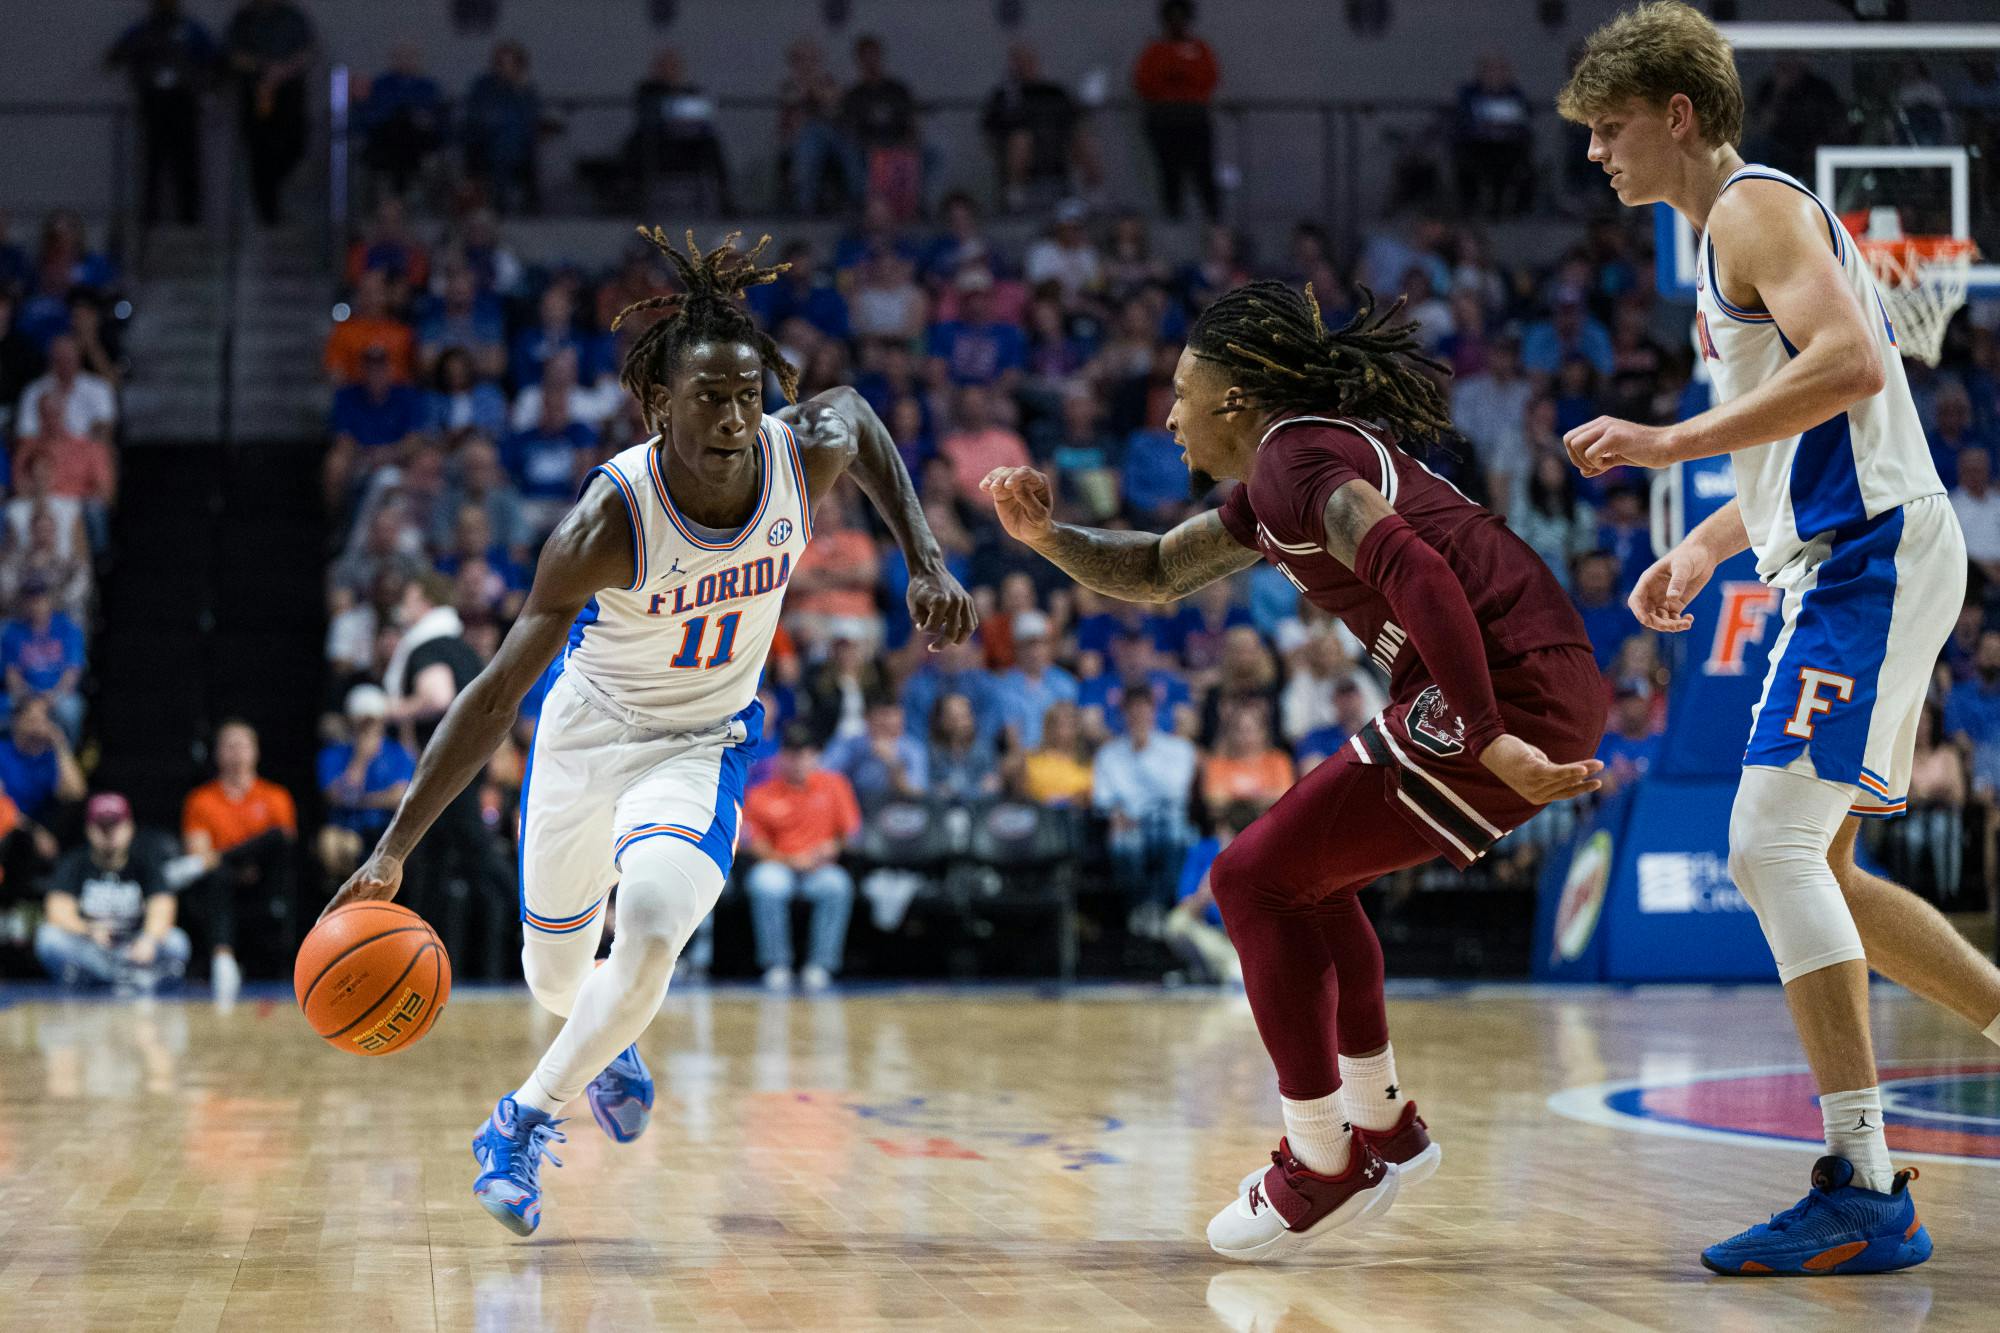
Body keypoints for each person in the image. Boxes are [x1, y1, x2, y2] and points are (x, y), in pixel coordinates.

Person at [322, 227, 975, 1237]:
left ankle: (518, 1121)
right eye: (707, 396)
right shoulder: (607, 521)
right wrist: (392, 846)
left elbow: (858, 416)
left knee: (659, 923)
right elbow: (493, 696)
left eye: (748, 394)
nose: (732, 415)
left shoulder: (802, 453)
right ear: (655, 403)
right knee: (554, 979)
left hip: (700, 741)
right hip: (585, 734)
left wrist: (924, 558)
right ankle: (606, 1035)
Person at [983, 276, 1605, 1261]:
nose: (1169, 414)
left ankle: (1319, 1164)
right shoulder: (1280, 477)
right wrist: (1045, 540)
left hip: (1502, 686)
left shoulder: (1295, 459)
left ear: (1233, 398)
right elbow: (1152, 570)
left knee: (1244, 878)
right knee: (1307, 882)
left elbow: (1417, 571)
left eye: (1181, 393)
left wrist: (1485, 734)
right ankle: (1381, 1124)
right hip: (1520, 674)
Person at [1558, 0, 2000, 1275]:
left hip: (1861, 557)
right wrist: (1704, 541)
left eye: (1608, 126)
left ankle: (1864, 1186)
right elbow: (1784, 426)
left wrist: (1660, 443)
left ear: (1676, 113)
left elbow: (1855, 363)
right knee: (1829, 872)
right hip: (1842, 551)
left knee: (1763, 844)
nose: (1595, 152)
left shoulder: (1753, 208)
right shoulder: (1724, 235)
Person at [741, 722, 863, 992]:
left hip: (820, 868)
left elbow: (851, 834)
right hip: (778, 865)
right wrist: (788, 860)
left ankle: (821, 966)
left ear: (817, 756)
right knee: (765, 884)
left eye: (806, 753)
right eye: (792, 753)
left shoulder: (835, 785)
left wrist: (832, 846)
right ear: (781, 756)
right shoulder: (761, 793)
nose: (799, 760)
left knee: (837, 885)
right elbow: (753, 844)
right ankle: (777, 964)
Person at [182, 718, 296, 999]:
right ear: (217, 753)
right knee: (216, 873)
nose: (236, 752)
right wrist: (229, 865)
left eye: (242, 745)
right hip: (221, 883)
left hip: (264, 878)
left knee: (276, 838)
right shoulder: (201, 800)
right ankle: (223, 959)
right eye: (228, 745)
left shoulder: (275, 796)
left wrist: (226, 858)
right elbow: (199, 854)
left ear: (255, 751)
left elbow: (283, 844)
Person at [36, 793, 190, 992]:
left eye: (115, 825)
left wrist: (148, 940)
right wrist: (88, 930)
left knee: (177, 942)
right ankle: (128, 978)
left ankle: (100, 979)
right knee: (48, 938)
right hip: (92, 948)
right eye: (101, 826)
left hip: (133, 948)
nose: (109, 833)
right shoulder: (74, 863)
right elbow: (57, 910)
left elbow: (162, 906)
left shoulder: (144, 861)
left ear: (129, 828)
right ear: (88, 829)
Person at [105, 0, 217, 226]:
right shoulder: (143, 30)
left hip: (184, 104)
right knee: (153, 163)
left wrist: (206, 88)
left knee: (187, 162)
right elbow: (116, 54)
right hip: (153, 104)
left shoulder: (190, 29)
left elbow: (214, 58)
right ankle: (150, 218)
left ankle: (190, 218)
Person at [224, 0, 315, 225]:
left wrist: (283, 71)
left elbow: (308, 51)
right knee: (260, 154)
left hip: (289, 95)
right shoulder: (243, 19)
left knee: (293, 144)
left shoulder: (292, 17)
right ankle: (268, 216)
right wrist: (263, 68)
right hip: (256, 95)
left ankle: (283, 189)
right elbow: (232, 55)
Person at [1132, 0, 1220, 222]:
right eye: (1173, 19)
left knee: (1203, 172)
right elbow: (1144, 83)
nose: (1178, 24)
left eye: (1182, 18)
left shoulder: (1200, 49)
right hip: (1165, 121)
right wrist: (1173, 85)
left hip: (1194, 120)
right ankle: (1174, 218)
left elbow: (1209, 79)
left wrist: (1182, 83)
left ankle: (1214, 220)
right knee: (1170, 173)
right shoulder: (1155, 51)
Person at [317, 684, 414, 882]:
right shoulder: (334, 754)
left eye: (373, 721)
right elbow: (335, 797)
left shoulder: (398, 754)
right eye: (363, 722)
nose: (368, 728)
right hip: (346, 829)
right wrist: (361, 759)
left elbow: (399, 798)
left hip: (384, 831)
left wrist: (358, 800)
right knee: (330, 842)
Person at [1164, 799, 1256, 985]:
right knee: (1177, 922)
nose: (1237, 843)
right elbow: (1186, 907)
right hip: (1213, 938)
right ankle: (1225, 968)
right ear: (1221, 830)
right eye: (1232, 835)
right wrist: (1207, 891)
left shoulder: (1260, 856)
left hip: (1247, 943)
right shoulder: (1202, 852)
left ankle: (1235, 968)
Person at [2, 577, 88, 742]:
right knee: (5, 707)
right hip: (24, 695)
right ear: (23, 602)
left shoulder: (68, 628)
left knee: (71, 711)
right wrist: (28, 700)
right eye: (30, 599)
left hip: (59, 695)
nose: (35, 604)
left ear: (49, 600)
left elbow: (72, 673)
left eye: (40, 598)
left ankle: (65, 760)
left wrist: (50, 699)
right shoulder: (12, 631)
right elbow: (12, 674)